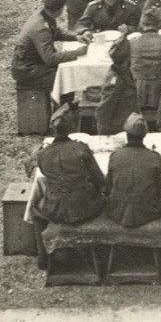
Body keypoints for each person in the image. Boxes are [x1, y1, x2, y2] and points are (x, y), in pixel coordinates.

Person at [29, 105, 105, 266]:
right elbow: (99, 178)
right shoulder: (80, 149)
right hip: (85, 208)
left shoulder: (43, 154)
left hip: (56, 209)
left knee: (34, 208)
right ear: (71, 128)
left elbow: (45, 174)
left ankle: (42, 258)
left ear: (52, 130)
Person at [10, 0, 86, 91]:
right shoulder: (41, 28)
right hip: (26, 69)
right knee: (66, 76)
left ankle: (66, 103)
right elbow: (50, 59)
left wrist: (76, 37)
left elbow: (56, 32)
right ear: (59, 10)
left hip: (30, 64)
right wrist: (77, 53)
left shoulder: (44, 15)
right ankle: (64, 105)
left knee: (66, 68)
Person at [105, 113, 161, 227]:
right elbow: (159, 186)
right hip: (146, 211)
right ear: (144, 135)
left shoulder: (115, 156)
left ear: (126, 134)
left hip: (118, 210)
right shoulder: (154, 157)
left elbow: (108, 186)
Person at [128, 7, 161, 115]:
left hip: (137, 94)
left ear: (142, 24)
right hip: (160, 94)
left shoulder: (132, 43)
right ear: (159, 23)